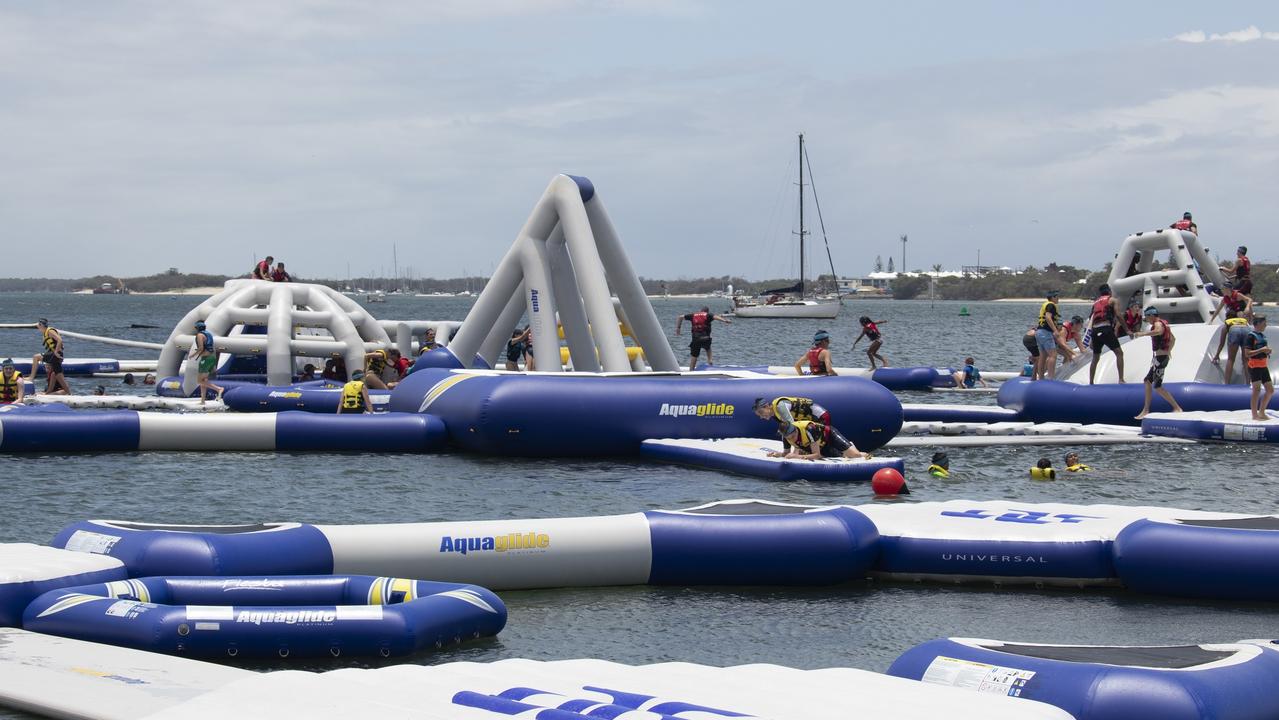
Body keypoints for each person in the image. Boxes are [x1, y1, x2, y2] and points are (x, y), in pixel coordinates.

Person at [1133, 306, 1184, 419]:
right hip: (1160, 358)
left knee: (1157, 386)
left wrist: (1142, 334)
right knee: (1148, 381)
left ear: (1152, 315)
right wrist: (1169, 351)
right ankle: (1146, 410)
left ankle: (1177, 408)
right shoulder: (1164, 324)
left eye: (1147, 317)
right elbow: (1173, 339)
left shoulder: (1158, 324)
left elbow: (1158, 331)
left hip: (1161, 359)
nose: (1147, 319)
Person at [1209, 283, 1254, 384]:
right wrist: (1212, 319)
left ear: (1228, 289)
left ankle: (1226, 384)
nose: (1222, 290)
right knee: (1246, 360)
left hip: (1234, 329)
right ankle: (1248, 383)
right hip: (1245, 328)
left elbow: (1221, 343)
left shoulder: (1237, 295)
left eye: (1223, 289)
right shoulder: (1225, 299)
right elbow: (1218, 310)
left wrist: (1216, 355)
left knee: (1230, 360)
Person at [769, 420, 868, 460]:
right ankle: (845, 451)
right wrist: (777, 454)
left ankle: (851, 446)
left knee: (856, 456)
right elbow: (786, 453)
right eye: (788, 438)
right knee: (844, 457)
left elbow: (817, 455)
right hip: (820, 445)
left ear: (796, 431)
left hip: (829, 435)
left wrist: (796, 456)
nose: (791, 439)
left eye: (792, 437)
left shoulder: (809, 429)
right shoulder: (786, 435)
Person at [1088, 283, 1125, 385]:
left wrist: (1091, 338)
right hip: (1106, 329)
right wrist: (1127, 329)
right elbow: (1118, 315)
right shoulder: (1112, 300)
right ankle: (1121, 379)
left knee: (1095, 357)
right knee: (1119, 353)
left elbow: (1091, 320)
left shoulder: (1095, 303)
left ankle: (1091, 382)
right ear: (1109, 291)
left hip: (1095, 331)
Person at [675, 306, 732, 371]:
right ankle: (710, 360)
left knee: (694, 356)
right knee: (708, 348)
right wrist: (725, 320)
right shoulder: (708, 315)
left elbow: (680, 317)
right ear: (707, 311)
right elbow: (716, 317)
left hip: (695, 339)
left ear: (701, 310)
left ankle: (691, 371)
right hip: (705, 338)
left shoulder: (693, 315)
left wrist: (678, 328)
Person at [187, 320, 224, 405]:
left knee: (199, 381)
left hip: (206, 359)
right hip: (211, 358)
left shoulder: (200, 335)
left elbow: (200, 348)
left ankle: (219, 389)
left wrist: (192, 355)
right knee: (204, 380)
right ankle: (202, 401)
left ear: (197, 328)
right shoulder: (208, 334)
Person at [1245, 315, 1274, 421]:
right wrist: (1262, 350)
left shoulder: (1262, 336)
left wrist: (1267, 351)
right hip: (1254, 367)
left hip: (1263, 366)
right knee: (1256, 390)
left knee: (1270, 390)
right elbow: (1247, 354)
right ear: (1257, 324)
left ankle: (1261, 412)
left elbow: (1262, 349)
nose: (1266, 325)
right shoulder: (1250, 337)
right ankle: (1254, 415)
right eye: (1264, 323)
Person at [33, 319, 69, 395]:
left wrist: (55, 352)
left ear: (41, 325)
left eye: (38, 326)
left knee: (36, 357)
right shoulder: (46, 332)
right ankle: (67, 392)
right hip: (54, 354)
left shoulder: (50, 331)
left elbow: (60, 340)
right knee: (58, 374)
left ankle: (31, 377)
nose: (38, 328)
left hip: (56, 354)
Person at [1034, 291, 1062, 380]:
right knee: (1053, 355)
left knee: (1043, 356)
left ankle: (1041, 378)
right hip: (1045, 333)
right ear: (1053, 297)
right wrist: (1055, 331)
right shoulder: (1051, 305)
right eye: (1057, 297)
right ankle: (1051, 378)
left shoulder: (1046, 304)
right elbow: (1048, 317)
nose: (1058, 299)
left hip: (1039, 332)